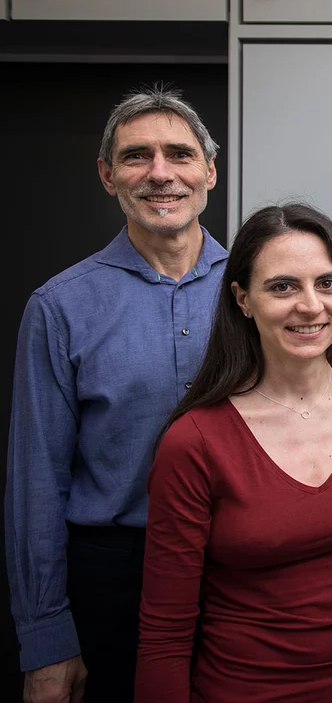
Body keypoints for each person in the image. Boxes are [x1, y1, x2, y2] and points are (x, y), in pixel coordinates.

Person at [135, 204, 332, 702]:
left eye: (328, 283)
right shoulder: (195, 441)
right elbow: (165, 632)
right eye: (283, 286)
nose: (312, 306)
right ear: (243, 299)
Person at [6, 86, 225, 703]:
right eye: (136, 157)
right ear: (108, 176)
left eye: (179, 155)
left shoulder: (258, 292)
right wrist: (46, 638)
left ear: (209, 170)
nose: (160, 174)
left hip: (240, 568)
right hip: (114, 576)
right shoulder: (60, 307)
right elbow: (36, 481)